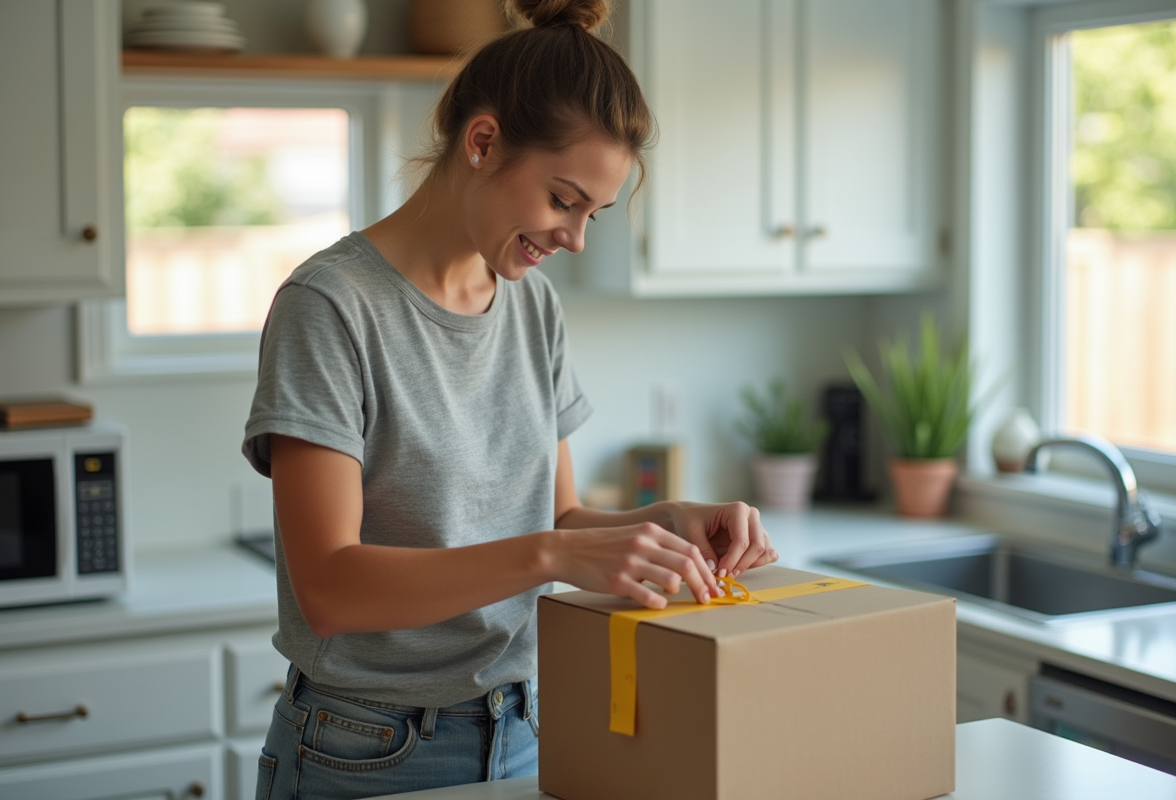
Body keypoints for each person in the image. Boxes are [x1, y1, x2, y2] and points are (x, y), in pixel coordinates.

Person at [241, 0, 778, 796]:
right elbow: (329, 589)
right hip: (366, 750)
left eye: (592, 213)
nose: (576, 238)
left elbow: (558, 519)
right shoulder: (333, 306)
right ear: (484, 142)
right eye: (563, 201)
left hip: (525, 728)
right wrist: (553, 557)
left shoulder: (530, 305)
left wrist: (667, 523)